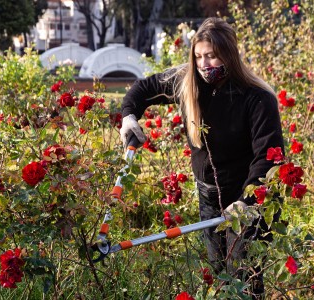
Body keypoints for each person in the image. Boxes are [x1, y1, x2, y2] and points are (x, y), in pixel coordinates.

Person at [120, 17, 284, 298]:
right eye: (198, 56)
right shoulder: (188, 83)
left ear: (228, 54)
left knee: (245, 281)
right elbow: (144, 88)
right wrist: (128, 115)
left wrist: (247, 202)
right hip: (208, 196)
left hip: (248, 201)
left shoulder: (256, 98)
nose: (204, 64)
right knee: (219, 278)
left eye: (211, 55)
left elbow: (268, 156)